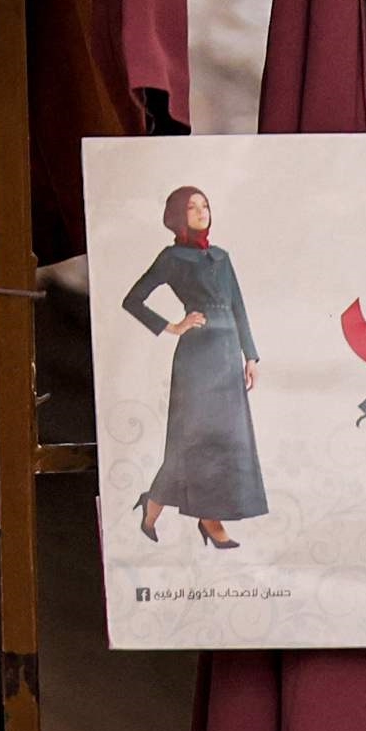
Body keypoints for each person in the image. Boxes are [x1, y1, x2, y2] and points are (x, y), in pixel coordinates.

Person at [122, 186, 266, 550]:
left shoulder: (221, 256)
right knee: (193, 439)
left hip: (227, 357)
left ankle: (195, 513)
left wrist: (250, 356)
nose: (202, 211)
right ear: (177, 216)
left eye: (205, 205)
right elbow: (133, 300)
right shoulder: (172, 257)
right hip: (197, 359)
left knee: (227, 439)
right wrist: (172, 326)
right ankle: (173, 508)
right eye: (192, 207)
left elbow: (238, 306)